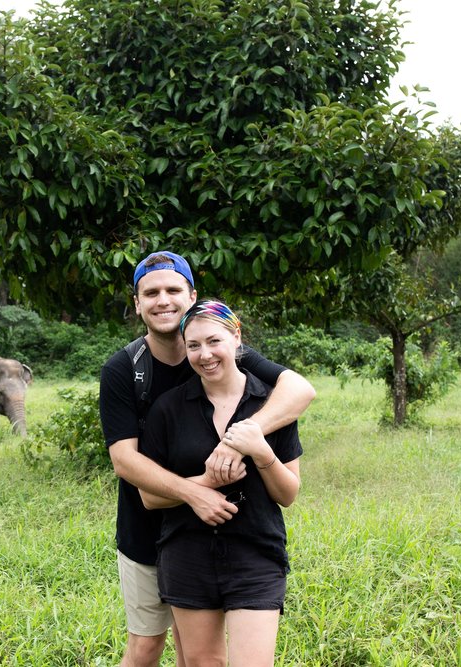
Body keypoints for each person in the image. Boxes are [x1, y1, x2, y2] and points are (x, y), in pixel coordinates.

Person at [99, 252, 315, 667]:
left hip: (233, 540)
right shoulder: (125, 369)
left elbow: (300, 390)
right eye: (151, 293)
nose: (163, 300)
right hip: (150, 524)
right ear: (138, 302)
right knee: (146, 647)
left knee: (194, 657)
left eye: (173, 290)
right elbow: (125, 461)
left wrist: (240, 440)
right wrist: (200, 490)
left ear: (191, 295)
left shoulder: (220, 344)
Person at [138, 299, 302, 667]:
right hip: (187, 553)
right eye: (193, 346)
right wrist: (205, 483)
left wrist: (261, 452)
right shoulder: (168, 408)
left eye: (214, 341)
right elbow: (149, 497)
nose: (205, 354)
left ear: (236, 338)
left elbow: (288, 494)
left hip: (256, 553)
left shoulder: (271, 404)